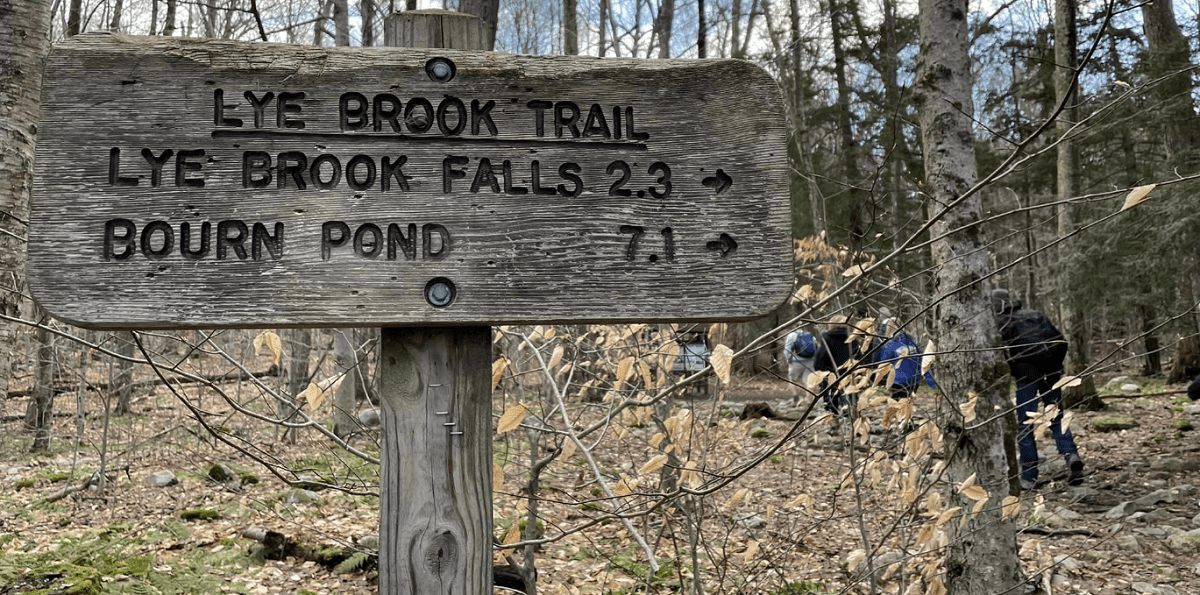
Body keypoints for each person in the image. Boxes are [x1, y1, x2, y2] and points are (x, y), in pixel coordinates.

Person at [992, 288, 1084, 489]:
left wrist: (1015, 368)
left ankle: (1029, 476)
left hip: (1027, 377)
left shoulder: (1002, 323)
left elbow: (1002, 354)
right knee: (1056, 417)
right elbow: (1061, 341)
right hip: (1051, 374)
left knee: (1025, 425)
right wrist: (1056, 367)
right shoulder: (1035, 315)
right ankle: (1071, 456)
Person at [871, 318, 936, 400]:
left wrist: (876, 380)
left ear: (889, 328)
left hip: (897, 381)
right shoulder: (914, 342)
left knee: (897, 404)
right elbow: (924, 362)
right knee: (907, 404)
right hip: (914, 381)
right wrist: (931, 381)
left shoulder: (891, 344)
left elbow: (884, 363)